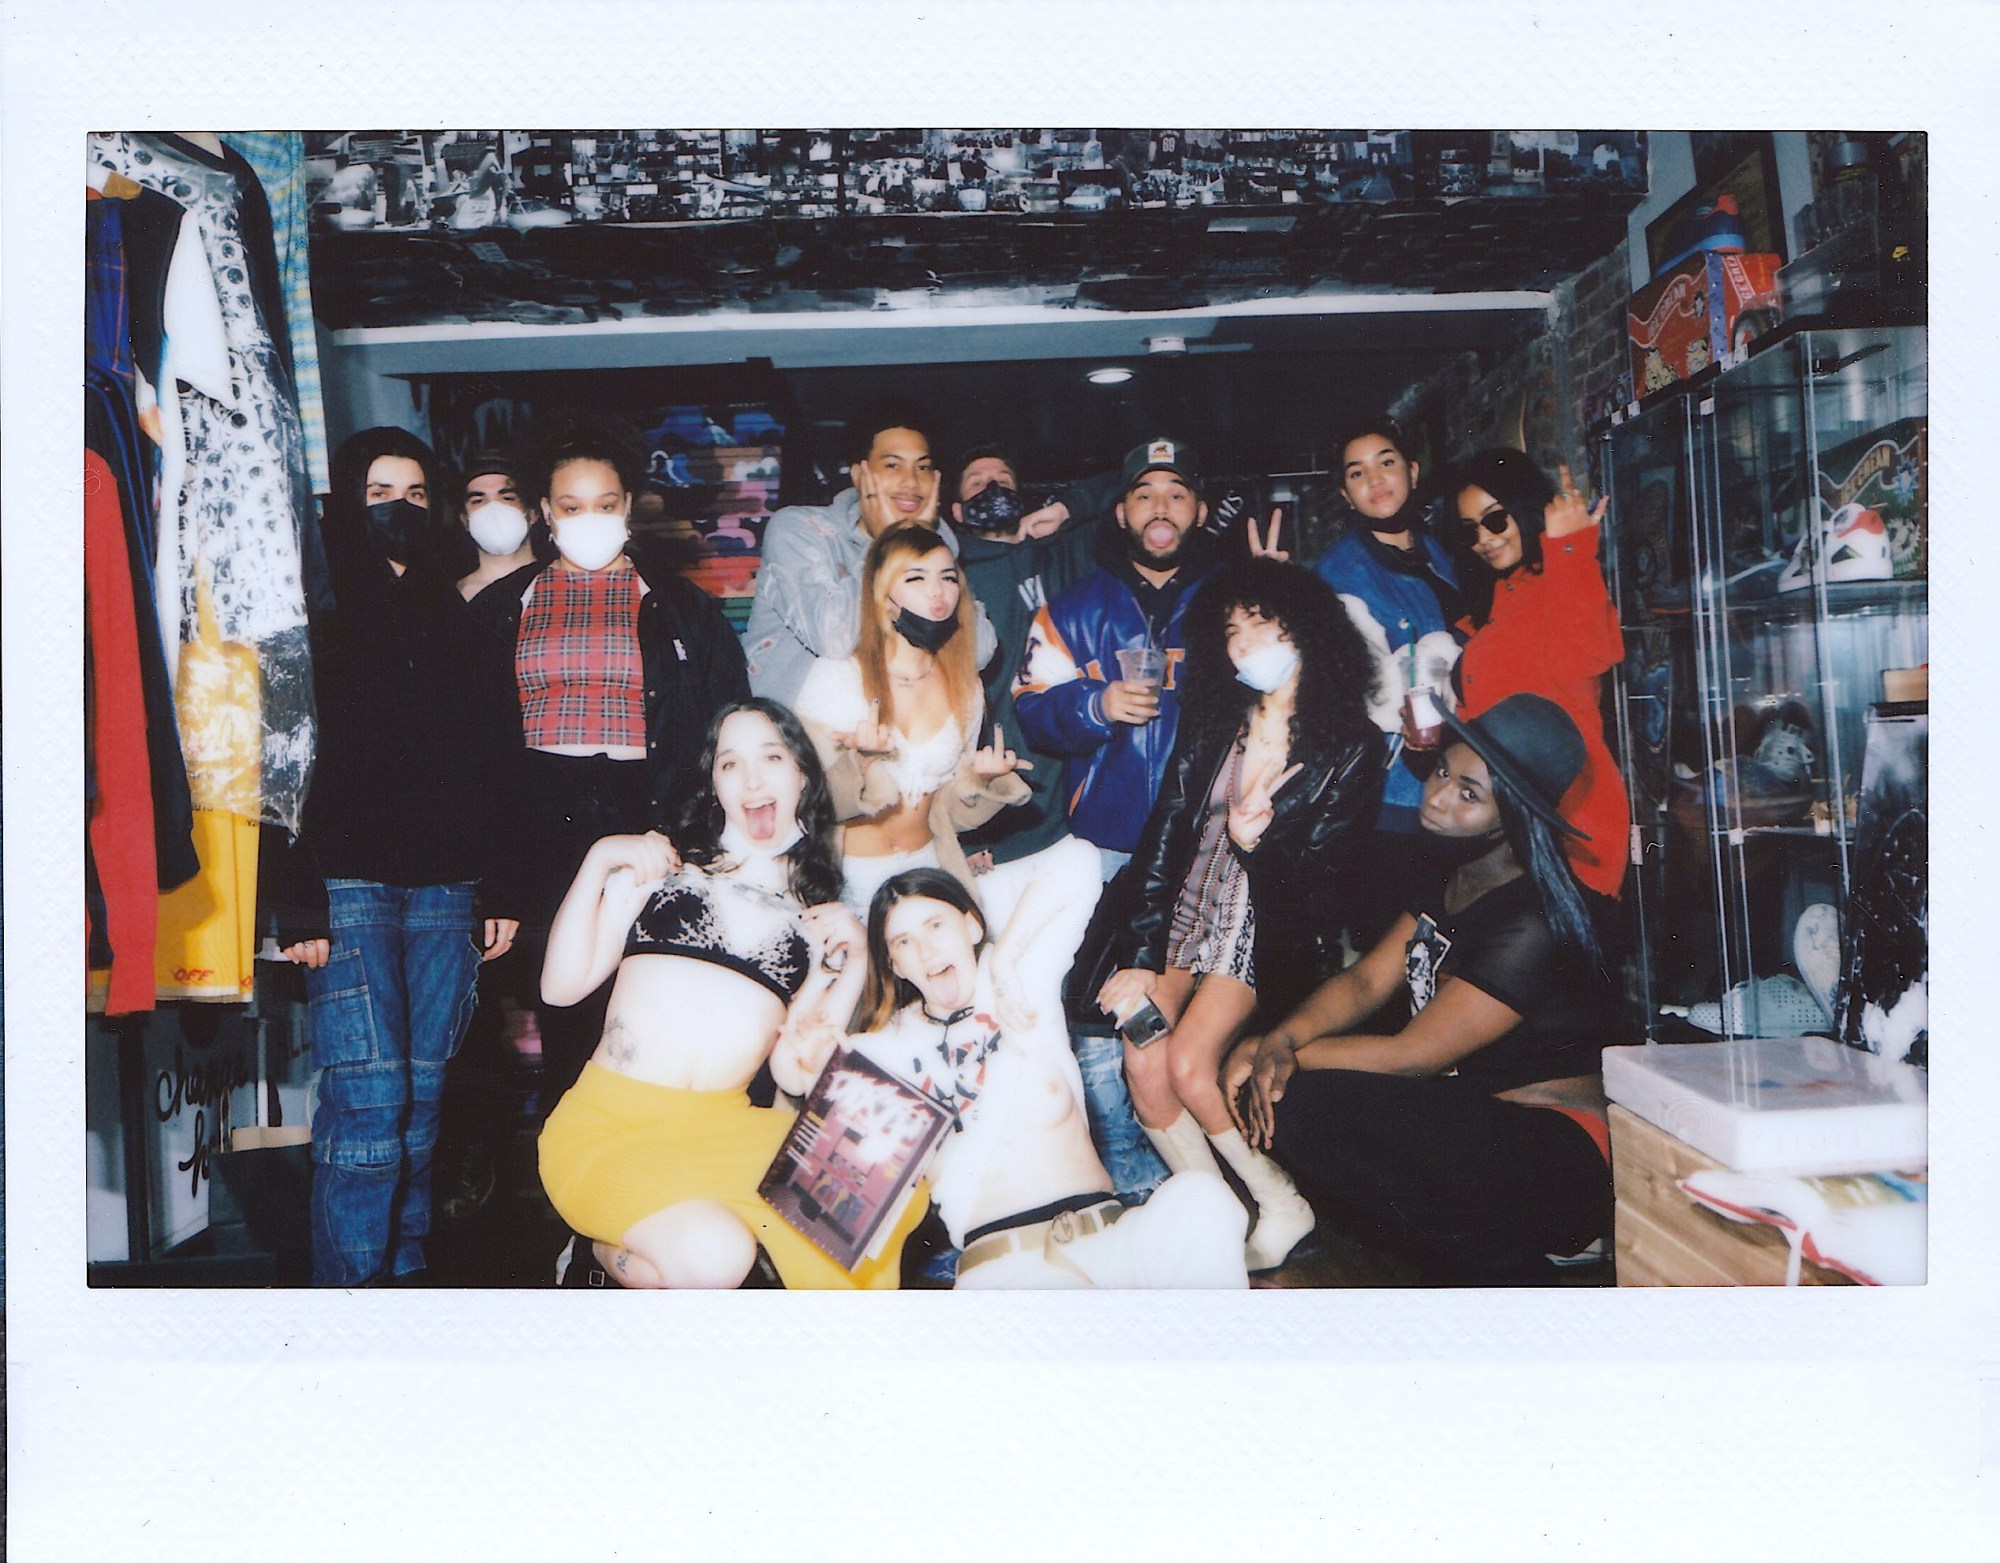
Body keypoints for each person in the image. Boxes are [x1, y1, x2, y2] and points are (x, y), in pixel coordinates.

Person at [1224, 693, 1624, 1283]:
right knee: (1303, 1101)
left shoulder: (1534, 920)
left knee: (1306, 1101)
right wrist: (1281, 1036)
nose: (1437, 797)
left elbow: (1412, 1056)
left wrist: (1270, 1055)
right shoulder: (1454, 872)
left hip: (1559, 1152)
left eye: (1469, 794)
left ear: (1516, 814)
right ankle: (1465, 1257)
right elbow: (1364, 981)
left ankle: (1538, 1255)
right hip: (1480, 1118)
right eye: (1442, 772)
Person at [535, 700, 925, 1289]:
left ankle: (608, 1256)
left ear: (802, 775)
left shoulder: (814, 924)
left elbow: (795, 1074)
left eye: (772, 756)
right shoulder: (662, 871)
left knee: (887, 1182)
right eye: (730, 764)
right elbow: (560, 989)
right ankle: (603, 1249)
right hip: (607, 1127)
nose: (752, 778)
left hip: (719, 1134)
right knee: (720, 1255)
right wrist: (600, 859)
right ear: (714, 784)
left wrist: (852, 964)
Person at [272, 427, 521, 1286]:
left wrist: (497, 884)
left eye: (417, 493)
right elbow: (281, 759)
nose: (402, 509)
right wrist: (294, 899)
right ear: (347, 500)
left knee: (420, 1114)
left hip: (446, 893)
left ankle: (403, 1290)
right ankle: (346, 1309)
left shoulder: (452, 611)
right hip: (347, 889)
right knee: (370, 1113)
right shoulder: (312, 605)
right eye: (381, 492)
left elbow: (490, 756)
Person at [1093, 559, 1385, 1271]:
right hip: (1184, 912)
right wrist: (1137, 952)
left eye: (1264, 622)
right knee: (1142, 1050)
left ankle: (1278, 1199)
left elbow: (1318, 888)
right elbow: (1165, 834)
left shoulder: (1353, 746)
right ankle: (1215, 1208)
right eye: (1232, 628)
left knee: (1191, 1062)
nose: (1247, 641)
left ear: (1307, 629)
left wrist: (1258, 844)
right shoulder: (1215, 721)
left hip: (1263, 925)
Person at [471, 424, 750, 1124]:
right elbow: (471, 750)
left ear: (628, 505)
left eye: (604, 503)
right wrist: (494, 875)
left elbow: (727, 726)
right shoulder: (502, 609)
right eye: (570, 505)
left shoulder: (685, 610)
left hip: (647, 814)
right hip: (541, 821)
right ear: (544, 511)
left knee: (652, 1007)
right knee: (564, 1011)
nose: (587, 518)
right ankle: (578, 1201)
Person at [833, 869, 1247, 1289]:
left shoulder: (1022, 983)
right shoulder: (885, 1049)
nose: (925, 950)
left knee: (1203, 1198)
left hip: (1113, 1240)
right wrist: (848, 968)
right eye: (903, 942)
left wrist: (1006, 959)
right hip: (1010, 1268)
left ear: (971, 926)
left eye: (935, 925)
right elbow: (800, 1076)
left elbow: (1076, 869)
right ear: (894, 964)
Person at [948, 442, 1168, 1206]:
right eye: (976, 484)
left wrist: (1064, 508)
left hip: (1072, 815)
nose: (994, 490)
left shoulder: (1067, 554)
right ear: (954, 510)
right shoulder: (955, 573)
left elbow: (1132, 473)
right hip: (991, 823)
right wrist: (965, 839)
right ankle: (1018, 1183)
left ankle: (1113, 1162)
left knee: (1091, 990)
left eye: (1006, 478)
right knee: (1013, 1005)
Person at [792, 523, 1033, 918]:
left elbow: (948, 813)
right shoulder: (837, 676)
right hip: (849, 881)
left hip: (929, 872)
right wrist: (862, 765)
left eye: (948, 577)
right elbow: (803, 802)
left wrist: (982, 782)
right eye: (916, 578)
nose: (937, 591)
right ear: (884, 596)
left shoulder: (966, 686)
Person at [1014, 436, 1222, 879]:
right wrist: (1097, 705)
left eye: (1177, 494)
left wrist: (1277, 596)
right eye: (1144, 495)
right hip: (1106, 843)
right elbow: (1031, 707)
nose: (1160, 507)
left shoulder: (1236, 601)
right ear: (1121, 512)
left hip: (1211, 838)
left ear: (1201, 512)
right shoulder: (1069, 610)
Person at [1448, 448, 1630, 901]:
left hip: (1567, 829)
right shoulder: (1495, 604)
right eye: (1471, 530)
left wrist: (1570, 547)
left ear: (1525, 511)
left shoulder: (1558, 581)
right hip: (1506, 832)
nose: (1484, 540)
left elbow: (1590, 656)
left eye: (1495, 520)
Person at [1314, 417, 1469, 946]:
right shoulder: (1340, 572)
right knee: (1389, 951)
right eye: (1357, 473)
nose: (1376, 480)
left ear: (1412, 470)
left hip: (1454, 782)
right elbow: (1351, 688)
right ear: (1345, 492)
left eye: (1387, 463)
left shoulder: (1438, 551)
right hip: (1387, 795)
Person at [740, 404, 998, 708]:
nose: (911, 482)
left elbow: (977, 651)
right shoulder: (799, 529)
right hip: (795, 741)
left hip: (891, 736)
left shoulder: (936, 546)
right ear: (860, 474)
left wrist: (915, 543)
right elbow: (833, 639)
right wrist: (887, 540)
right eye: (892, 465)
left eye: (923, 467)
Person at [451, 450, 543, 600]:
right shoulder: (451, 597)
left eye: (507, 498)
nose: (494, 508)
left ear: (533, 514)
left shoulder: (556, 584)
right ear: (465, 521)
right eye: (478, 501)